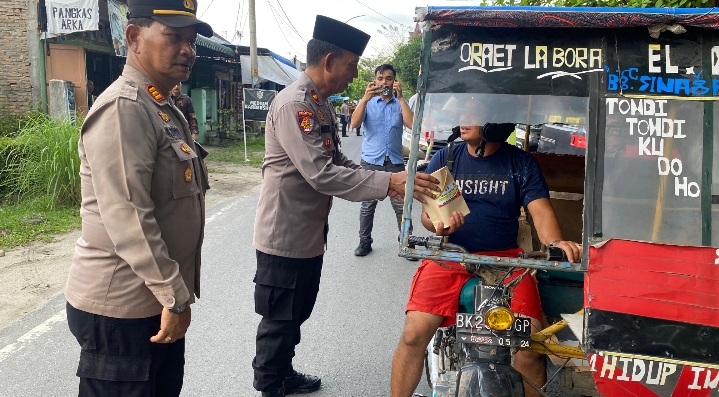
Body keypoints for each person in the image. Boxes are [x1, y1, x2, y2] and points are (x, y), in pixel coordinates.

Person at [252, 15, 440, 397]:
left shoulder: (319, 106)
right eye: (352, 65)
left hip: (307, 234)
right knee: (279, 319)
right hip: (284, 235)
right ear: (328, 62)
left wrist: (393, 180)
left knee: (297, 312)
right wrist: (387, 182)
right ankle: (270, 383)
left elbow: (339, 163)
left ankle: (283, 372)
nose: (355, 76)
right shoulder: (295, 105)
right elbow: (321, 175)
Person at [64, 1, 212, 396]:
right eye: (174, 37)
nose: (187, 49)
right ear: (134, 37)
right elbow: (128, 215)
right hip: (123, 308)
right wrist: (175, 296)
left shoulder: (160, 106)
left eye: (191, 40)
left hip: (152, 301)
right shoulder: (125, 107)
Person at [389, 108, 582, 397]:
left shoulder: (520, 163)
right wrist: (439, 226)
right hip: (450, 255)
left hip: (504, 261)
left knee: (529, 345)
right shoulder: (447, 158)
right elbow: (428, 217)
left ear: (495, 122)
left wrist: (556, 242)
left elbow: (540, 212)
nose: (463, 120)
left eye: (473, 114)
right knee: (413, 334)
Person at [350, 64, 413, 257]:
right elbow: (354, 123)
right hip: (371, 162)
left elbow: (411, 124)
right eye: (380, 78)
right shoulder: (367, 103)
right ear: (375, 81)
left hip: (394, 162)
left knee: (402, 206)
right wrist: (365, 98)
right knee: (368, 206)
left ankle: (406, 243)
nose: (384, 82)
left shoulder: (400, 104)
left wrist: (401, 98)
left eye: (389, 78)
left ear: (395, 81)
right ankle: (364, 242)